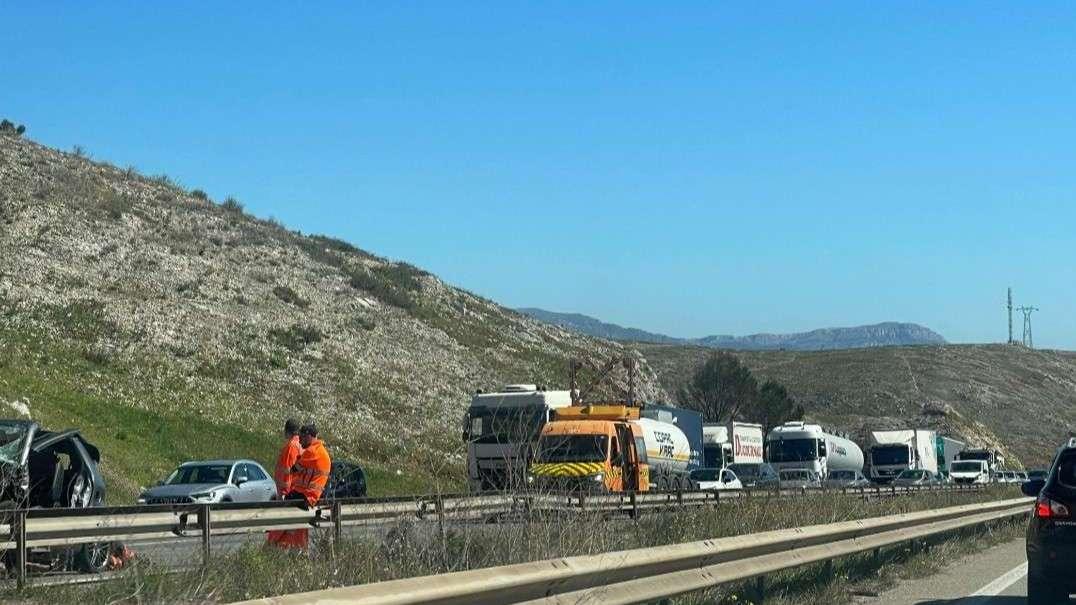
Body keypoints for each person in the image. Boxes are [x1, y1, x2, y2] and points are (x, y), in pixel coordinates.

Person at [267, 418, 304, 549]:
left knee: (282, 524)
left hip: (288, 494)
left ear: (287, 432)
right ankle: (295, 551)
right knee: (295, 528)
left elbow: (287, 472)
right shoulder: (301, 447)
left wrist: (283, 493)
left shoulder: (291, 447)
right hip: (297, 495)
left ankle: (270, 548)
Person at [288, 423, 332, 508]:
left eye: (301, 437)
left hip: (304, 495)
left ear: (308, 436)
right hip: (314, 496)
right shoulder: (321, 451)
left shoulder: (311, 451)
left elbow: (293, 470)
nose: (300, 441)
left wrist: (298, 458)